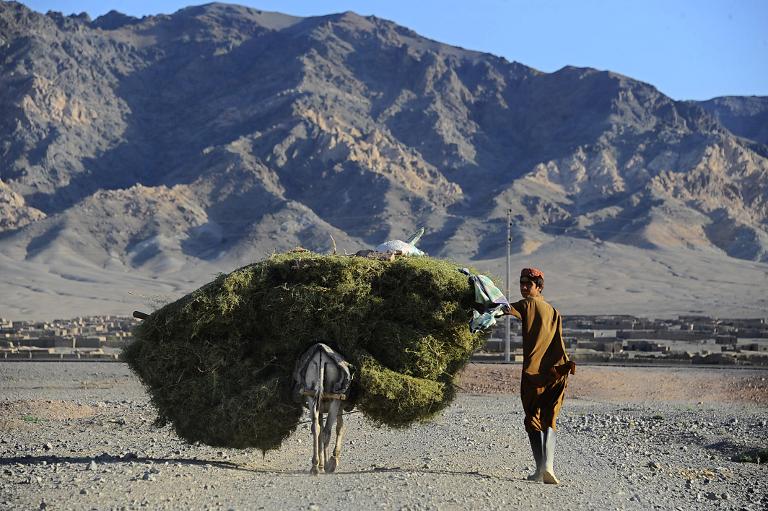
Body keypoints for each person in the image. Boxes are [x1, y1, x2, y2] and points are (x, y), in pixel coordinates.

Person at [504, 267, 575, 484]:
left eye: (529, 284)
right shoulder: (553, 310)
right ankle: (547, 467)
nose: (524, 288)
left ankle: (540, 469)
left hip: (534, 375)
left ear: (539, 286)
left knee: (532, 419)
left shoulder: (526, 304)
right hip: (557, 372)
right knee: (550, 417)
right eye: (522, 284)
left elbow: (502, 309)